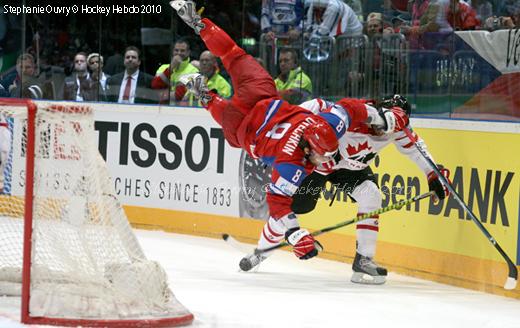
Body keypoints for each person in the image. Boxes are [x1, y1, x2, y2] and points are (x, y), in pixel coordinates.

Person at [170, 0, 408, 262]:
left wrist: (383, 117)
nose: (326, 160)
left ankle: (199, 25)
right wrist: (295, 234)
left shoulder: (327, 125)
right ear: (306, 148)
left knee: (233, 55)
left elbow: (350, 108)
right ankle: (203, 88)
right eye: (321, 156)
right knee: (219, 92)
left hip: (261, 99)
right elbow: (277, 203)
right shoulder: (290, 165)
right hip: (245, 126)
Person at [241, 95, 450, 285]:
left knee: (372, 196)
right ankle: (261, 251)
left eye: (396, 125)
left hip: (349, 171)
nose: (384, 131)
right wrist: (283, 149)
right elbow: (307, 111)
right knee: (294, 209)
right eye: (385, 123)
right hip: (317, 163)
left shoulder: (397, 127)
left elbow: (416, 149)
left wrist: (434, 174)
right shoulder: (354, 114)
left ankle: (364, 259)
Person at [151, 39, 199, 105]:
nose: (179, 53)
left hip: (183, 111)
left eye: (182, 51)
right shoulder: (163, 68)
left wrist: (162, 95)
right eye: (176, 50)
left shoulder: (194, 71)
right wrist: (170, 68)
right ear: (173, 51)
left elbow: (180, 95)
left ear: (188, 52)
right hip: (163, 110)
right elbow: (154, 86)